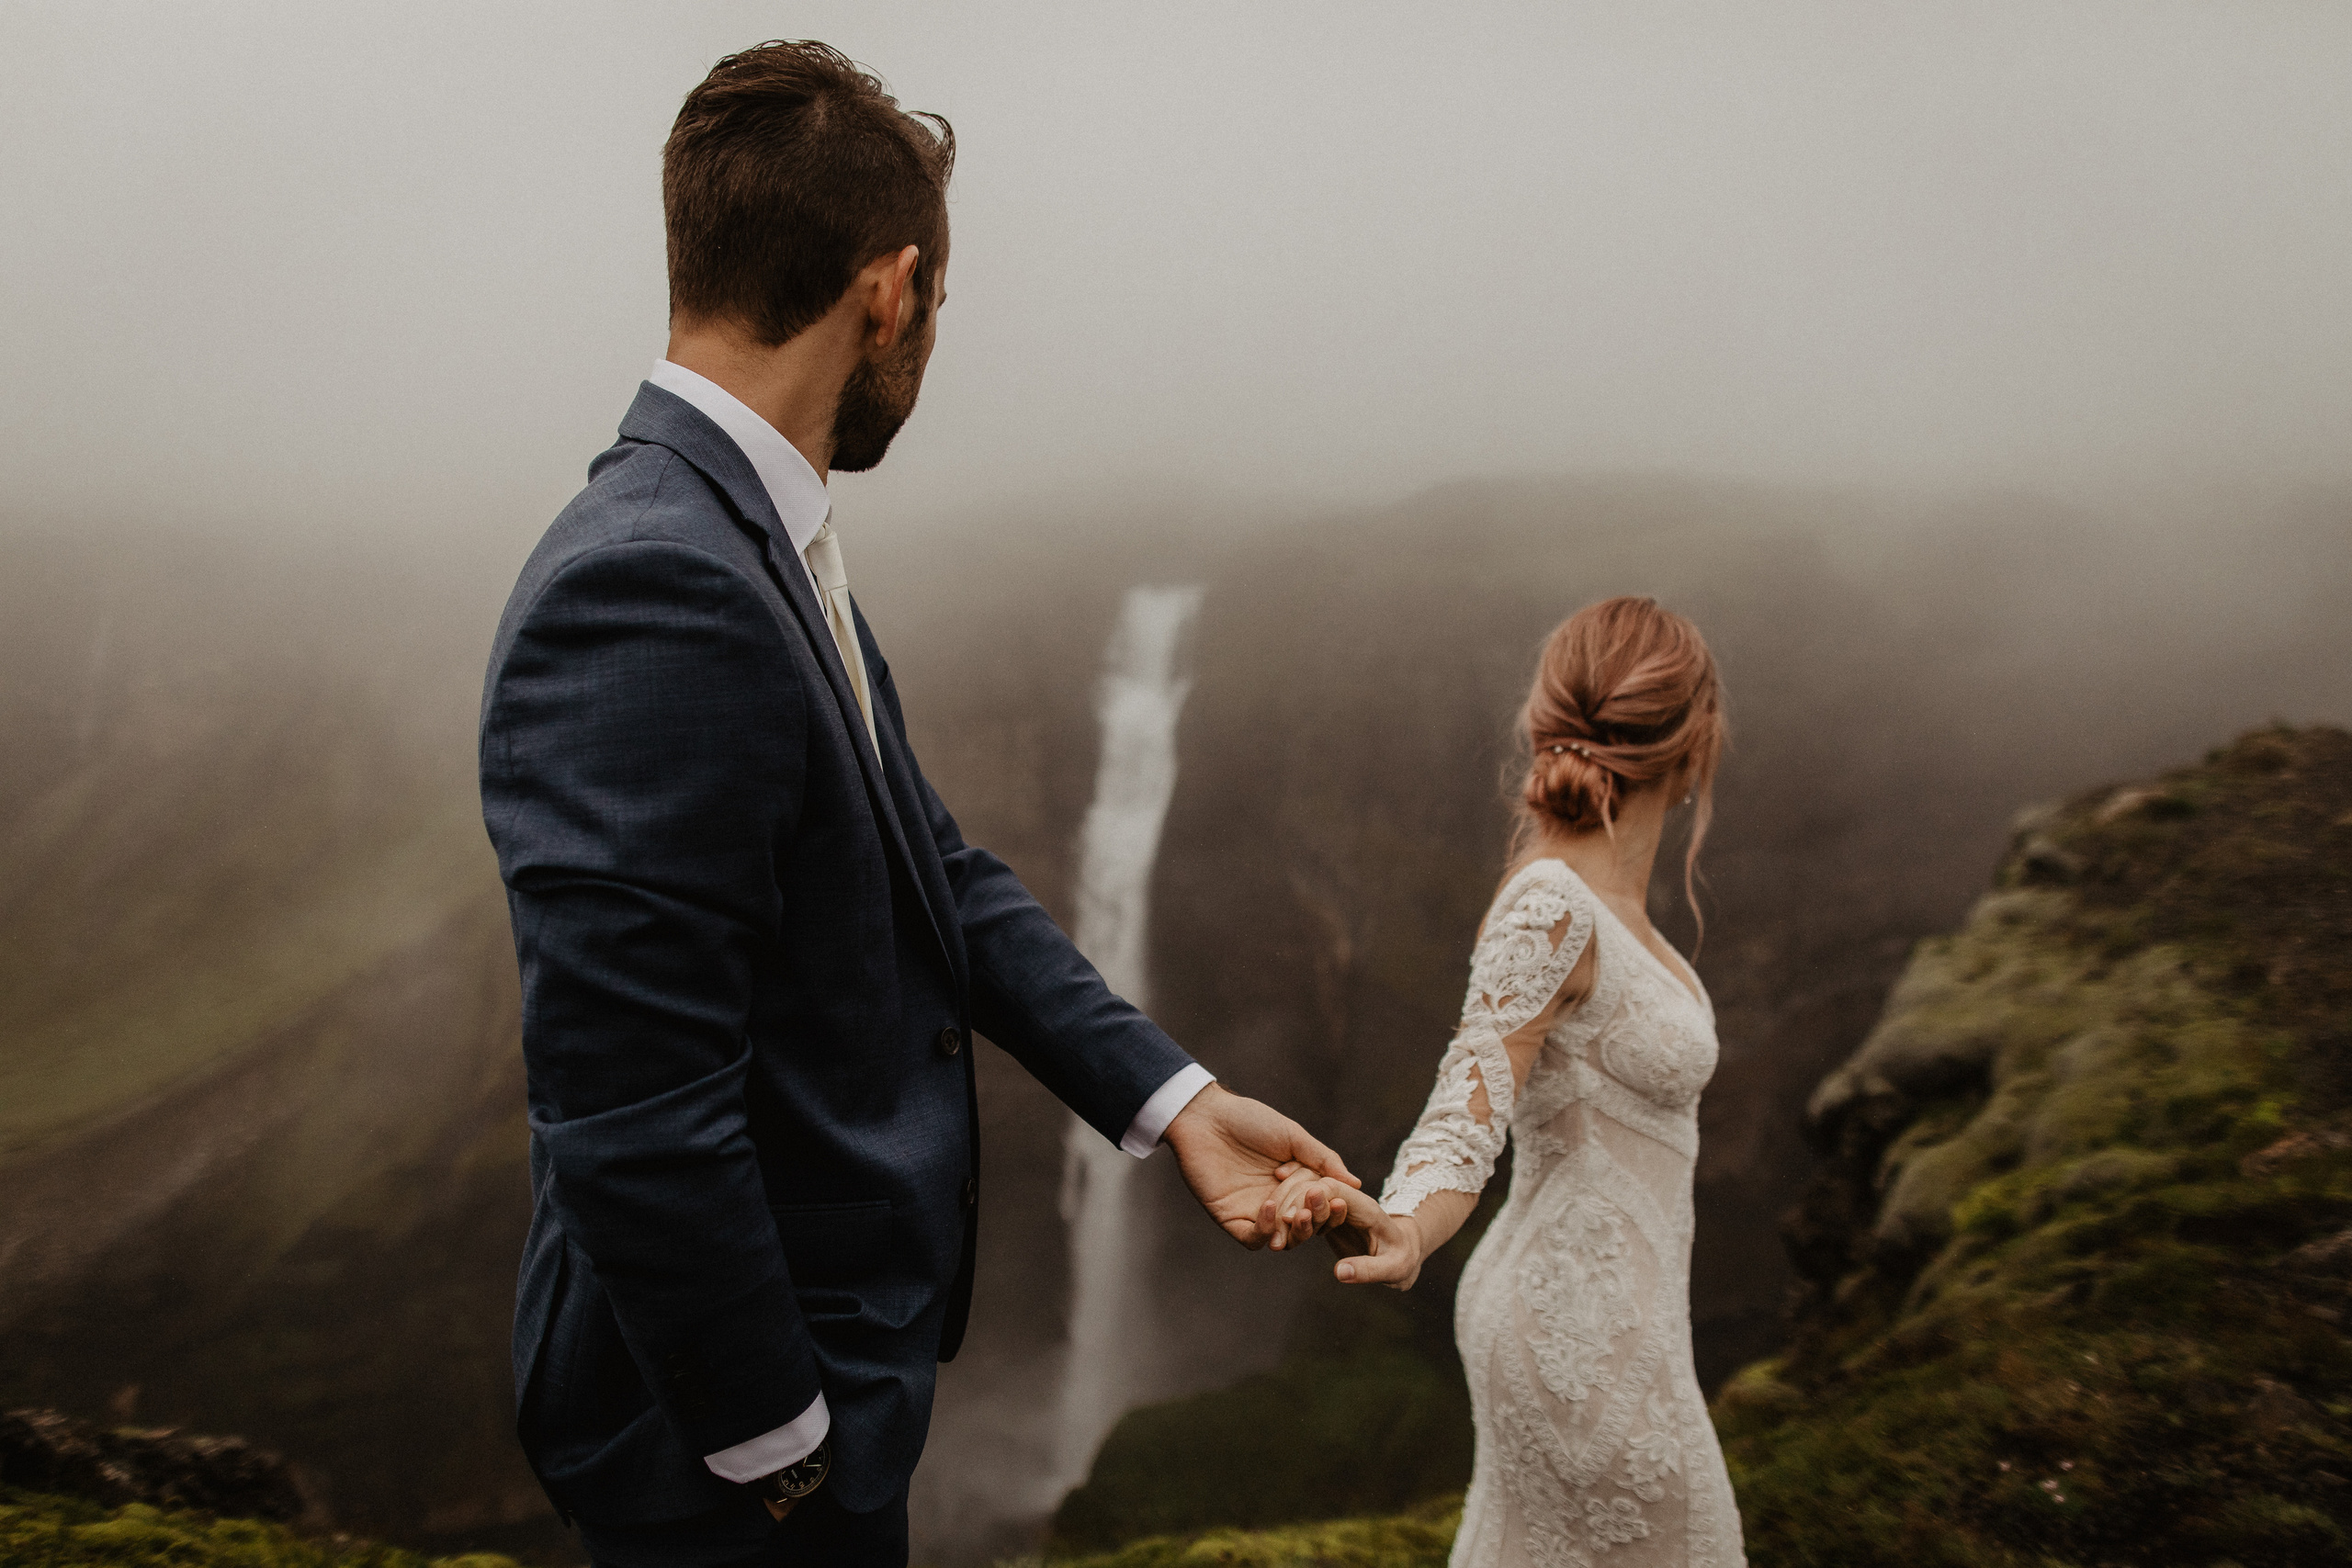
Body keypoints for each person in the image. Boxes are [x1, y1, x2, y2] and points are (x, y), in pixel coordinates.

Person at [477, 40, 1352, 1568]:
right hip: (727, 1453)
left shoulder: (746, 534)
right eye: (936, 306)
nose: (929, 341)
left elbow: (928, 866)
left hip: (804, 1408)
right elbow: (631, 1108)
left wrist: (1177, 1102)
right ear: (889, 291)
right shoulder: (658, 583)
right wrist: (787, 1452)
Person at [1283, 596, 1747, 1566]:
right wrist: (1404, 1226)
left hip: (1608, 1315)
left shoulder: (1606, 911)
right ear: (1697, 741)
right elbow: (1466, 1107)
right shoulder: (1552, 902)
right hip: (1581, 1329)